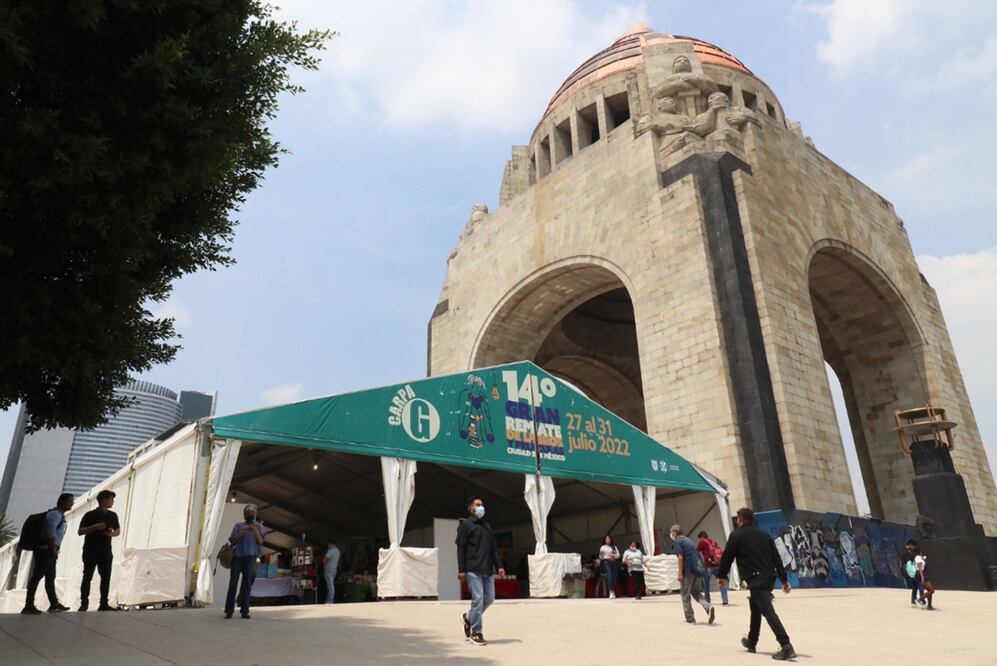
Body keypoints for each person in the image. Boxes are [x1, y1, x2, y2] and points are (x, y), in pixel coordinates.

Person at [716, 508, 796, 661]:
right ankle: (752, 641)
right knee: (755, 607)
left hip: (755, 579)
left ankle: (786, 645)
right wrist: (784, 579)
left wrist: (721, 576)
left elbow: (728, 556)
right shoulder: (764, 535)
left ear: (740, 520)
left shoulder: (737, 535)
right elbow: (776, 557)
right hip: (768, 578)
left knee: (768, 612)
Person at [456, 496, 504, 646]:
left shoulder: (487, 527)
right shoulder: (466, 525)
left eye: (482, 504)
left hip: (487, 568)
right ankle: (476, 633)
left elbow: (493, 549)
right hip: (472, 568)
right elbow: (461, 548)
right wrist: (461, 570)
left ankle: (468, 617)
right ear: (470, 508)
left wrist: (499, 566)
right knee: (478, 599)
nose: (481, 507)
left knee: (489, 598)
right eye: (478, 505)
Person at [22, 493, 74, 614]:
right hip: (46, 550)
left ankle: (54, 604)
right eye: (70, 501)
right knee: (37, 577)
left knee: (50, 578)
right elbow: (50, 533)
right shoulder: (55, 515)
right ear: (62, 502)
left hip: (49, 550)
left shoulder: (59, 515)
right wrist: (53, 549)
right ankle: (28, 605)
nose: (72, 503)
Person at [78, 489, 121, 611]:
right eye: (111, 499)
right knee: (87, 576)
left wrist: (111, 534)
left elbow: (118, 531)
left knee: (106, 577)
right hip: (90, 550)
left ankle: (103, 603)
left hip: (106, 550)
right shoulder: (90, 515)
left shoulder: (113, 515)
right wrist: (95, 526)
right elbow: (80, 531)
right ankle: (84, 603)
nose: (112, 501)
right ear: (104, 500)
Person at [224, 504, 266, 619]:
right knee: (233, 583)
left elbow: (261, 541)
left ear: (256, 514)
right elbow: (232, 540)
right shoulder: (238, 526)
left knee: (247, 584)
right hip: (237, 557)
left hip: (251, 558)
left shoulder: (259, 527)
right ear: (244, 515)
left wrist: (255, 530)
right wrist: (240, 535)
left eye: (252, 513)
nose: (250, 515)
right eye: (248, 513)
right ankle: (229, 610)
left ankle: (245, 610)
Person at [670, 524, 714, 624]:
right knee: (696, 592)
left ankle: (690, 618)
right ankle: (707, 606)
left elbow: (680, 557)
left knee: (685, 595)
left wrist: (680, 573)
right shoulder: (689, 540)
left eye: (671, 532)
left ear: (674, 532)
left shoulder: (678, 541)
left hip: (688, 571)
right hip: (697, 570)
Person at [697, 530, 729, 606]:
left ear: (701, 537)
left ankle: (707, 600)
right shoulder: (713, 541)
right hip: (718, 564)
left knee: (706, 584)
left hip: (709, 566)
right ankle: (725, 600)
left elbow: (696, 551)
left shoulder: (702, 542)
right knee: (721, 582)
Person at [903, 540, 927, 608]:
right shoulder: (916, 556)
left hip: (912, 572)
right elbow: (919, 565)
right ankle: (921, 601)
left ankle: (913, 601)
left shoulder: (913, 555)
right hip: (916, 572)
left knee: (914, 587)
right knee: (920, 587)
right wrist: (922, 576)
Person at [324, 539, 341, 604]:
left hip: (328, 570)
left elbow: (325, 560)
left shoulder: (330, 551)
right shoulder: (338, 551)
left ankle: (330, 601)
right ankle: (329, 600)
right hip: (334, 570)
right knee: (330, 585)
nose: (328, 545)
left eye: (329, 544)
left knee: (330, 586)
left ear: (331, 544)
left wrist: (324, 564)